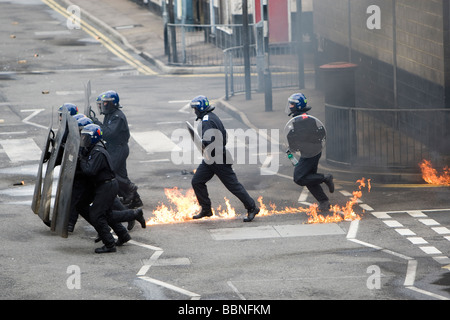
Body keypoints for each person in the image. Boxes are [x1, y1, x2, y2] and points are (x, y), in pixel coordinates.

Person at [189, 95, 260, 222]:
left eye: (195, 109)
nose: (194, 111)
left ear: (200, 108)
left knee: (233, 186)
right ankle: (206, 209)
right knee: (197, 181)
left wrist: (202, 144)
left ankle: (252, 207)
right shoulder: (212, 117)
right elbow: (224, 136)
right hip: (211, 158)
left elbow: (210, 140)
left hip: (218, 158)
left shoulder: (207, 121)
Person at [77, 123, 132, 253]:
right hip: (103, 185)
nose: (83, 139)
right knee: (101, 213)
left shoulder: (98, 152)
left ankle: (109, 244)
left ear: (93, 138)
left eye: (86, 137)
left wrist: (81, 160)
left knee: (97, 215)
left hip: (107, 186)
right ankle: (123, 235)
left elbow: (89, 170)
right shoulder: (93, 148)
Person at [91, 91, 143, 210]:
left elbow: (109, 134)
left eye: (104, 103)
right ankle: (135, 200)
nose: (101, 106)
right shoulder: (110, 115)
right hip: (113, 147)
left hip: (118, 148)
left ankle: (130, 189)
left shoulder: (117, 116)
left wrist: (97, 124)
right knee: (120, 174)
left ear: (112, 104)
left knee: (111, 173)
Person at [285, 93, 334, 213]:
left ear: (298, 105)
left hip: (310, 152)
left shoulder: (303, 120)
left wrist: (292, 142)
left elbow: (304, 138)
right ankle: (324, 201)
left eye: (292, 104)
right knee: (308, 178)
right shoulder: (302, 117)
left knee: (299, 178)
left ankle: (326, 178)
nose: (290, 106)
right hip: (311, 151)